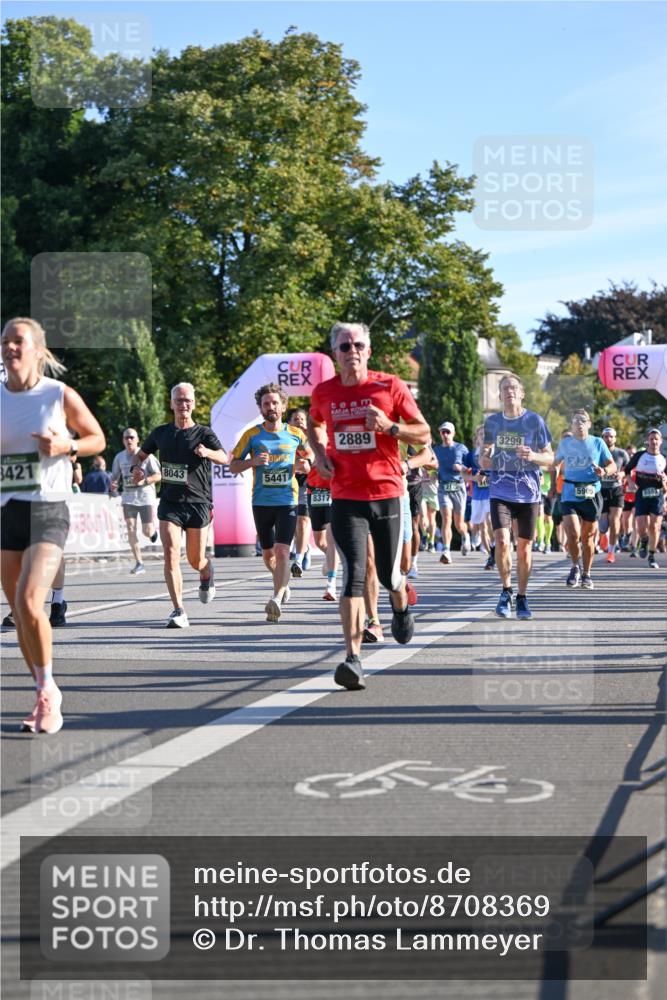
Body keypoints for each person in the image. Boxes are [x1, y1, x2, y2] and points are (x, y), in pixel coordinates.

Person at [308, 321, 431, 690]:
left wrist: (391, 427)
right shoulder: (324, 392)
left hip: (387, 493)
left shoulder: (389, 385)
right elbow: (315, 425)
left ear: (368, 350)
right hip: (345, 495)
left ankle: (401, 606)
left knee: (392, 575)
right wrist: (318, 454)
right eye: (345, 346)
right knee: (354, 576)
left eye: (358, 345)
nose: (352, 351)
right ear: (335, 353)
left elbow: (423, 432)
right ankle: (352, 659)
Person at [1, 317, 105, 733]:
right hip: (7, 511)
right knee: (20, 614)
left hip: (48, 508)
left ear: (38, 351)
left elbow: (96, 437)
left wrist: (68, 445)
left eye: (17, 341)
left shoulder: (57, 395)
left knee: (29, 601)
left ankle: (47, 696)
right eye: (4, 341)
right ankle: (45, 687)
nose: (9, 347)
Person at [133, 382, 227, 628]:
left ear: (193, 403)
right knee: (171, 553)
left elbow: (224, 457)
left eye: (187, 400)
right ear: (171, 403)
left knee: (195, 561)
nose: (183, 405)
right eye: (178, 400)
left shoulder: (204, 433)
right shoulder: (161, 433)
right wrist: (136, 468)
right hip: (170, 503)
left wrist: (207, 453)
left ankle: (206, 572)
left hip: (198, 503)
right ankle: (178, 610)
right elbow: (140, 455)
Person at [230, 384, 313, 622]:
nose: (271, 407)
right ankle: (283, 583)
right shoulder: (252, 435)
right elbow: (233, 465)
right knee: (268, 555)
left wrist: (304, 465)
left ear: (283, 406)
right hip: (261, 502)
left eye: (275, 403)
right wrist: (252, 462)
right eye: (266, 403)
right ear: (260, 408)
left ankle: (276, 598)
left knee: (283, 550)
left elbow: (310, 457)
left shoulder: (296, 434)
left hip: (287, 500)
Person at [480, 373, 553, 620]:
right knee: (501, 542)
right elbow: (483, 460)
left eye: (513, 387)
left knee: (524, 550)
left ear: (522, 393)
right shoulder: (492, 423)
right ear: (499, 395)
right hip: (499, 490)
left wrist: (532, 456)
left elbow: (551, 458)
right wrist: (487, 454)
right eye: (504, 388)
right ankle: (505, 591)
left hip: (528, 494)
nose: (509, 391)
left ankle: (522, 597)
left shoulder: (534, 421)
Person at [554, 409, 615, 590]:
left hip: (592, 492)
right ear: (572, 425)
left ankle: (587, 574)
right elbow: (555, 464)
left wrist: (604, 471)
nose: (579, 423)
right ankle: (575, 566)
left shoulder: (597, 443)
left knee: (588, 537)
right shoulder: (565, 443)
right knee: (572, 533)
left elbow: (611, 465)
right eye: (575, 421)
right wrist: (551, 483)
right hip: (570, 491)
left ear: (588, 424)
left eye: (583, 420)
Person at [110, 427, 160, 574]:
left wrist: (145, 480)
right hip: (128, 497)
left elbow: (159, 475)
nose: (129, 440)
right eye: (126, 438)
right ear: (123, 441)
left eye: (132, 437)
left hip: (145, 497)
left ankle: (152, 534)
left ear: (138, 440)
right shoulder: (119, 457)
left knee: (146, 531)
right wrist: (113, 483)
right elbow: (114, 477)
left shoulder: (146, 456)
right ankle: (139, 562)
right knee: (130, 527)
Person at [624, 428, 667, 569]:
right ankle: (643, 540)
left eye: (656, 439)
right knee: (641, 527)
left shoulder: (664, 458)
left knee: (655, 526)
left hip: (657, 496)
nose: (653, 441)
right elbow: (627, 470)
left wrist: (665, 481)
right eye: (651, 439)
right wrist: (630, 482)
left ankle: (652, 555)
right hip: (641, 494)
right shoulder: (639, 456)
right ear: (647, 441)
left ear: (660, 442)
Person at [434, 421, 471, 564]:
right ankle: (446, 551)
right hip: (443, 487)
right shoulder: (436, 450)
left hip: (458, 487)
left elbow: (470, 467)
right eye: (443, 432)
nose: (445, 434)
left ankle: (465, 535)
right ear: (440, 434)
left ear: (453, 433)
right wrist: (432, 473)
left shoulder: (461, 448)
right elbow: (431, 465)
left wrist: (461, 467)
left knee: (459, 524)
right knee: (446, 519)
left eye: (448, 432)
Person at [286, 407, 313, 578]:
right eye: (295, 419)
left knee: (302, 521)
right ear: (288, 423)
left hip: (307, 485)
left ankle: (298, 558)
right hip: (286, 484)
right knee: (294, 523)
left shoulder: (313, 439)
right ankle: (305, 546)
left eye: (302, 419)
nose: (300, 422)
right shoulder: (283, 438)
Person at [598, 427, 629, 564]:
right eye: (606, 436)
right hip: (601, 489)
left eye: (611, 436)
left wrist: (621, 474)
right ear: (603, 438)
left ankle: (611, 551)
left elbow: (628, 470)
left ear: (615, 438)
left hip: (616, 490)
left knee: (615, 520)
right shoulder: (598, 452)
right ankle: (603, 536)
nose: (608, 439)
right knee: (603, 525)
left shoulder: (621, 453)